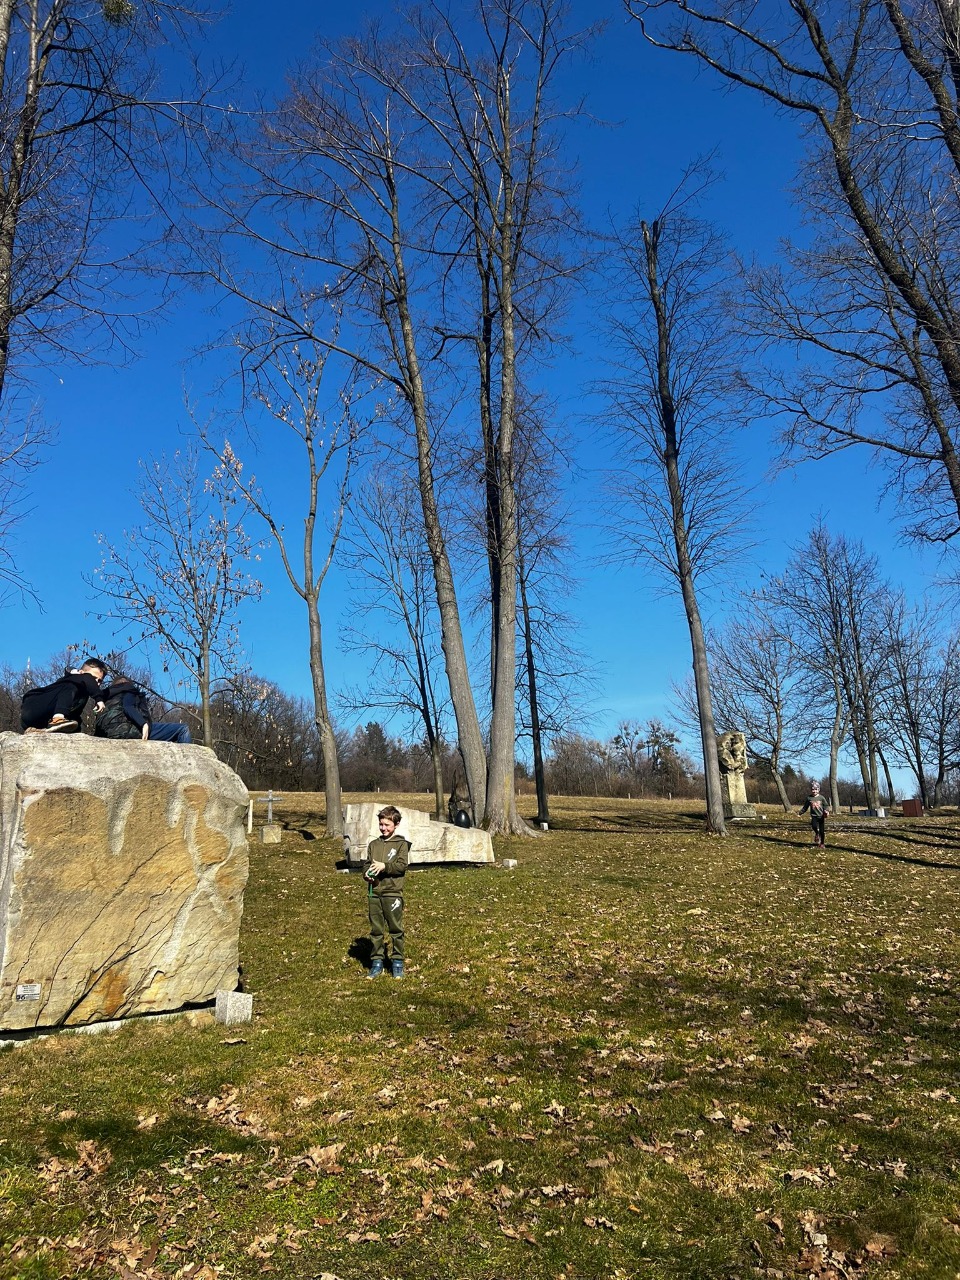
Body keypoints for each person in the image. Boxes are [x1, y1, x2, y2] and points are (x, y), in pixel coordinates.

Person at [362, 805, 411, 979]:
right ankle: (377, 962)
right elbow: (367, 864)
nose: (383, 828)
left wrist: (384, 866)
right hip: (374, 893)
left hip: (392, 892)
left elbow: (402, 866)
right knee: (376, 930)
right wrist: (366, 874)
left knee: (395, 929)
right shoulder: (373, 844)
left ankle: (397, 962)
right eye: (381, 824)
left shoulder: (401, 844)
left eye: (387, 825)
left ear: (396, 825)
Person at [94, 675, 193, 744]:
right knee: (183, 729)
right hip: (129, 731)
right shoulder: (129, 690)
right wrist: (143, 724)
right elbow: (128, 707)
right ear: (127, 684)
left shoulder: (104, 699)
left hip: (108, 734)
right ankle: (188, 762)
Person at [20, 657, 107, 733]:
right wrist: (99, 698)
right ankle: (58, 719)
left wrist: (76, 729)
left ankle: (51, 724)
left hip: (35, 722)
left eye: (100, 681)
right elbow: (87, 679)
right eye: (93, 678)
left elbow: (75, 714)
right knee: (72, 685)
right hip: (33, 706)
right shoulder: (73, 680)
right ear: (80, 672)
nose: (96, 683)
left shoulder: (81, 695)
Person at [799, 780, 831, 848]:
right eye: (812, 789)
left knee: (822, 831)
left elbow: (826, 805)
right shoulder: (809, 798)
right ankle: (817, 833)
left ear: (818, 790)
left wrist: (826, 811)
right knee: (814, 826)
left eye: (816, 789)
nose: (814, 791)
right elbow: (805, 807)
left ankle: (822, 843)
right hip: (814, 816)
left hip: (821, 816)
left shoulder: (821, 798)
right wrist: (801, 812)